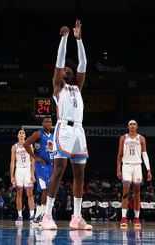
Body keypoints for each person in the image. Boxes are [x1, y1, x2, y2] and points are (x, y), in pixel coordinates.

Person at [40, 20, 92, 231]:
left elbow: (84, 64)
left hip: (79, 130)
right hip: (64, 129)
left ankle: (77, 217)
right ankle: (46, 216)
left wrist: (79, 40)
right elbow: (59, 62)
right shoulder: (58, 87)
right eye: (65, 69)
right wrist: (64, 38)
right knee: (59, 170)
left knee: (79, 174)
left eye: (70, 69)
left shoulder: (77, 87)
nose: (67, 70)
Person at [116, 119, 152, 229]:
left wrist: (148, 170)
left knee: (137, 192)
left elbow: (144, 154)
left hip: (137, 166)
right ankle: (123, 217)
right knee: (126, 190)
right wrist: (118, 169)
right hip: (126, 165)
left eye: (134, 124)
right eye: (130, 124)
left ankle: (137, 217)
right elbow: (120, 154)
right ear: (128, 126)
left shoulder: (141, 138)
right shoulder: (123, 138)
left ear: (137, 126)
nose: (132, 125)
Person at [24, 116, 55, 227]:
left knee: (49, 190)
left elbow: (52, 151)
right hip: (41, 164)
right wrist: (34, 157)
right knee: (45, 189)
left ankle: (39, 216)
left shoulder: (53, 136)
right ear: (42, 123)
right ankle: (41, 216)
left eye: (49, 122)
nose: (48, 123)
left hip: (50, 165)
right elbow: (26, 144)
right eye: (46, 121)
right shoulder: (38, 134)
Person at [10, 129, 35, 225]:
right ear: (17, 135)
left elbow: (33, 160)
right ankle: (20, 216)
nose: (21, 134)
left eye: (23, 133)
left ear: (25, 136)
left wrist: (32, 174)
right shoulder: (14, 147)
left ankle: (32, 216)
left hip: (27, 169)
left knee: (30, 193)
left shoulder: (29, 145)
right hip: (19, 170)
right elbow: (12, 162)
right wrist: (12, 176)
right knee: (19, 193)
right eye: (20, 133)